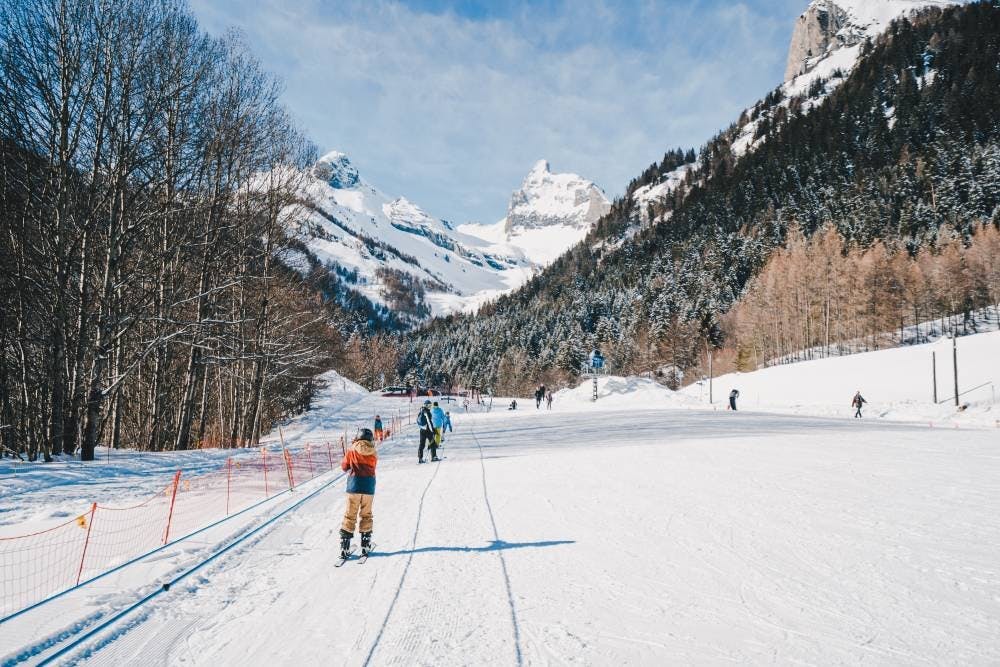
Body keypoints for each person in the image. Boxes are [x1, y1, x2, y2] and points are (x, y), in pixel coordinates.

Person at [339, 428, 378, 559]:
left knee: (350, 515)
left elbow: (344, 467)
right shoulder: (373, 451)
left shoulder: (352, 449)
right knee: (366, 515)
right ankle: (365, 544)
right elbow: (373, 466)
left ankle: (345, 547)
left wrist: (352, 461)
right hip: (368, 487)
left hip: (354, 486)